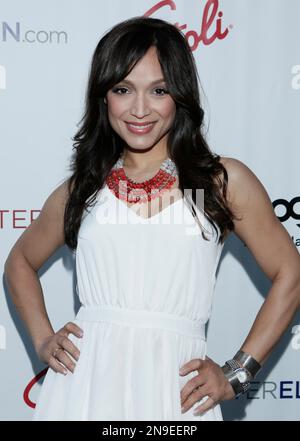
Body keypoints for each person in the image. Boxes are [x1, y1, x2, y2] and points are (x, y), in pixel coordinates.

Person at [4, 16, 300, 421]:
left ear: (179, 95)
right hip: (82, 389)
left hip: (175, 393)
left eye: (158, 90)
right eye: (123, 89)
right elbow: (19, 262)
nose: (139, 109)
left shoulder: (220, 182)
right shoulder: (83, 190)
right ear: (103, 97)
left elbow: (291, 273)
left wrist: (237, 372)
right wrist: (42, 339)